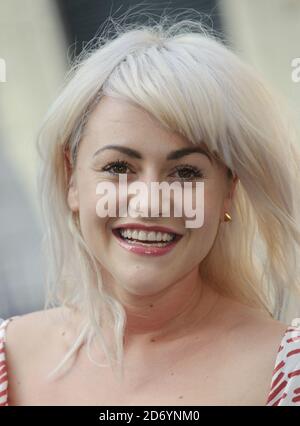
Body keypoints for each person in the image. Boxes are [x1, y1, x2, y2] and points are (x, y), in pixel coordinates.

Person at [1, 13, 300, 406]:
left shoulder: (288, 370)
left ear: (228, 191)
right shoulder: (8, 359)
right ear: (72, 180)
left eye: (186, 172)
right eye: (119, 168)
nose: (150, 201)